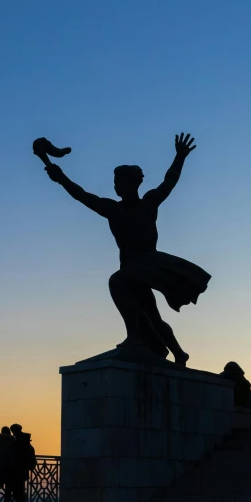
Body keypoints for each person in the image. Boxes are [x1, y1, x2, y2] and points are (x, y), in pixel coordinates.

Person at [43, 133, 211, 366]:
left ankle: (134, 339)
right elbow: (81, 195)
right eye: (115, 183)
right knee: (150, 314)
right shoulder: (112, 209)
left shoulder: (149, 202)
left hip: (148, 263)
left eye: (120, 182)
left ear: (133, 184)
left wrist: (179, 156)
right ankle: (179, 352)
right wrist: (61, 178)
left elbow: (169, 181)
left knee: (117, 282)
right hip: (131, 267)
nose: (116, 186)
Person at [9, 423, 36, 502]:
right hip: (23, 468)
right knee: (20, 488)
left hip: (16, 467)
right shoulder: (25, 440)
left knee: (16, 489)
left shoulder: (16, 441)